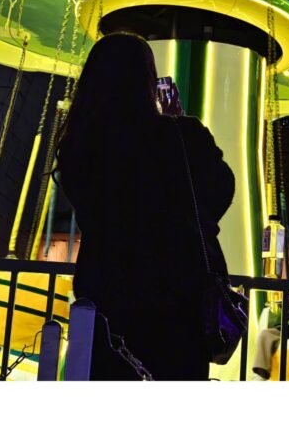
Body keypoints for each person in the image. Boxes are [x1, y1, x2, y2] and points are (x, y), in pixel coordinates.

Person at [56, 33, 234, 380]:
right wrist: (178, 122)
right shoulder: (181, 136)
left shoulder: (81, 147)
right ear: (149, 82)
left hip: (107, 305)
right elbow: (221, 190)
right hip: (177, 304)